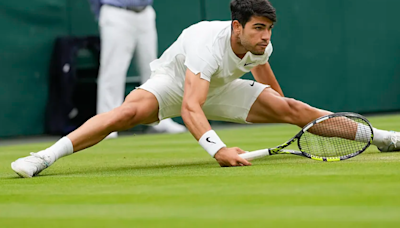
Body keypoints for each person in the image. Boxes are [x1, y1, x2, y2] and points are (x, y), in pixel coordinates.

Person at [11, 0, 400, 177]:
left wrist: (288, 113)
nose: (265, 37)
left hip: (219, 87)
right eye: (258, 28)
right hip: (174, 85)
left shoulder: (262, 45)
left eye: (268, 29)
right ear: (237, 27)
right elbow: (191, 107)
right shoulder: (205, 42)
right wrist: (219, 150)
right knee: (125, 114)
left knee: (296, 108)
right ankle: (44, 157)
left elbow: (269, 85)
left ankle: (382, 137)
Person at [89, 0, 186, 138]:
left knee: (152, 69)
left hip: (145, 12)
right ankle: (106, 125)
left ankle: (159, 118)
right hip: (116, 12)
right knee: (113, 72)